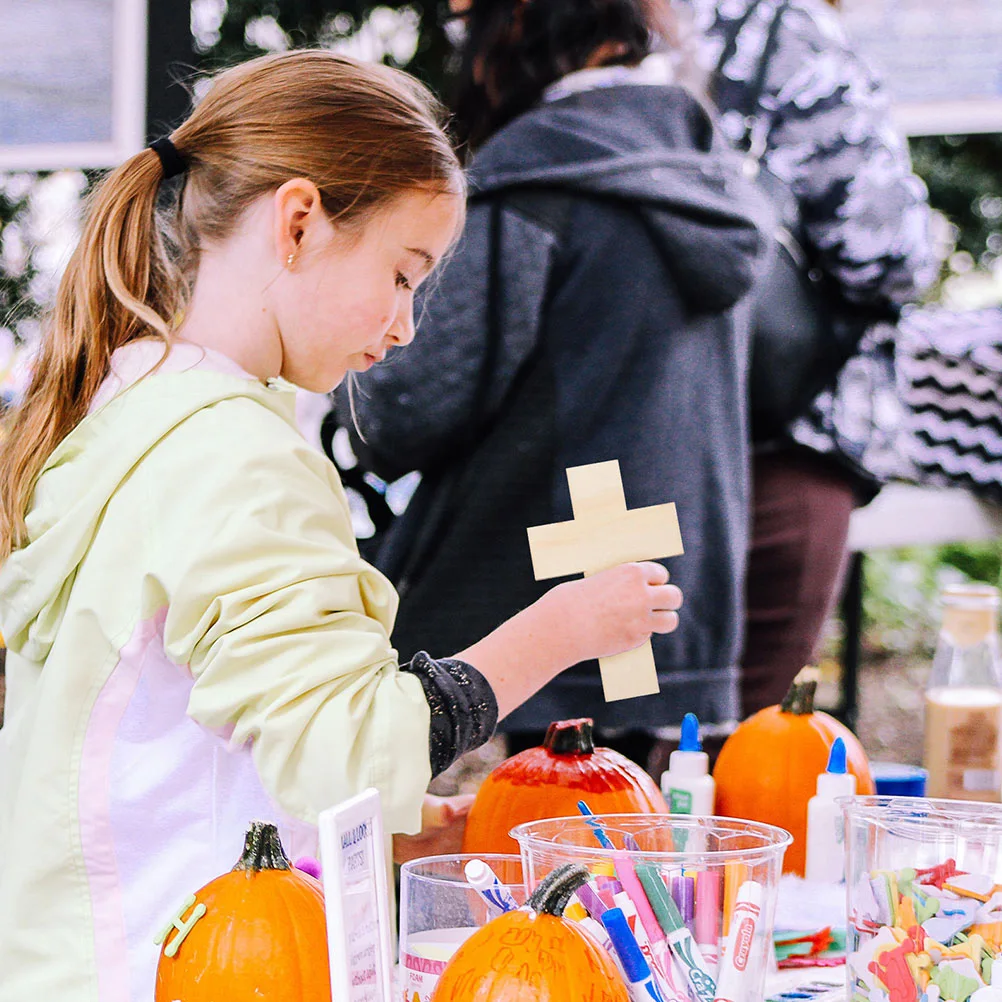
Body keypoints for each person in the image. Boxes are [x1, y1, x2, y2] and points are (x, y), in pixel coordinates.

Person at [0, 50, 683, 999]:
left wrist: (371, 820)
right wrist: (562, 630)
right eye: (403, 274)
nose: (405, 326)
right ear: (298, 222)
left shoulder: (131, 416)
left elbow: (208, 731)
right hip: (171, 971)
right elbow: (343, 750)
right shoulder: (235, 459)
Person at [337, 0, 770, 769]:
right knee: (637, 871)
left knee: (507, 879)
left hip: (515, 644)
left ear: (518, 24)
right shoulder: (710, 178)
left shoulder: (534, 178)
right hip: (674, 615)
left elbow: (403, 410)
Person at [674, 0, 936, 719]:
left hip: (621, 439)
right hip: (776, 435)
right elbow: (886, 249)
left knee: (605, 732)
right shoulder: (782, 30)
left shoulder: (573, 30)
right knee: (749, 736)